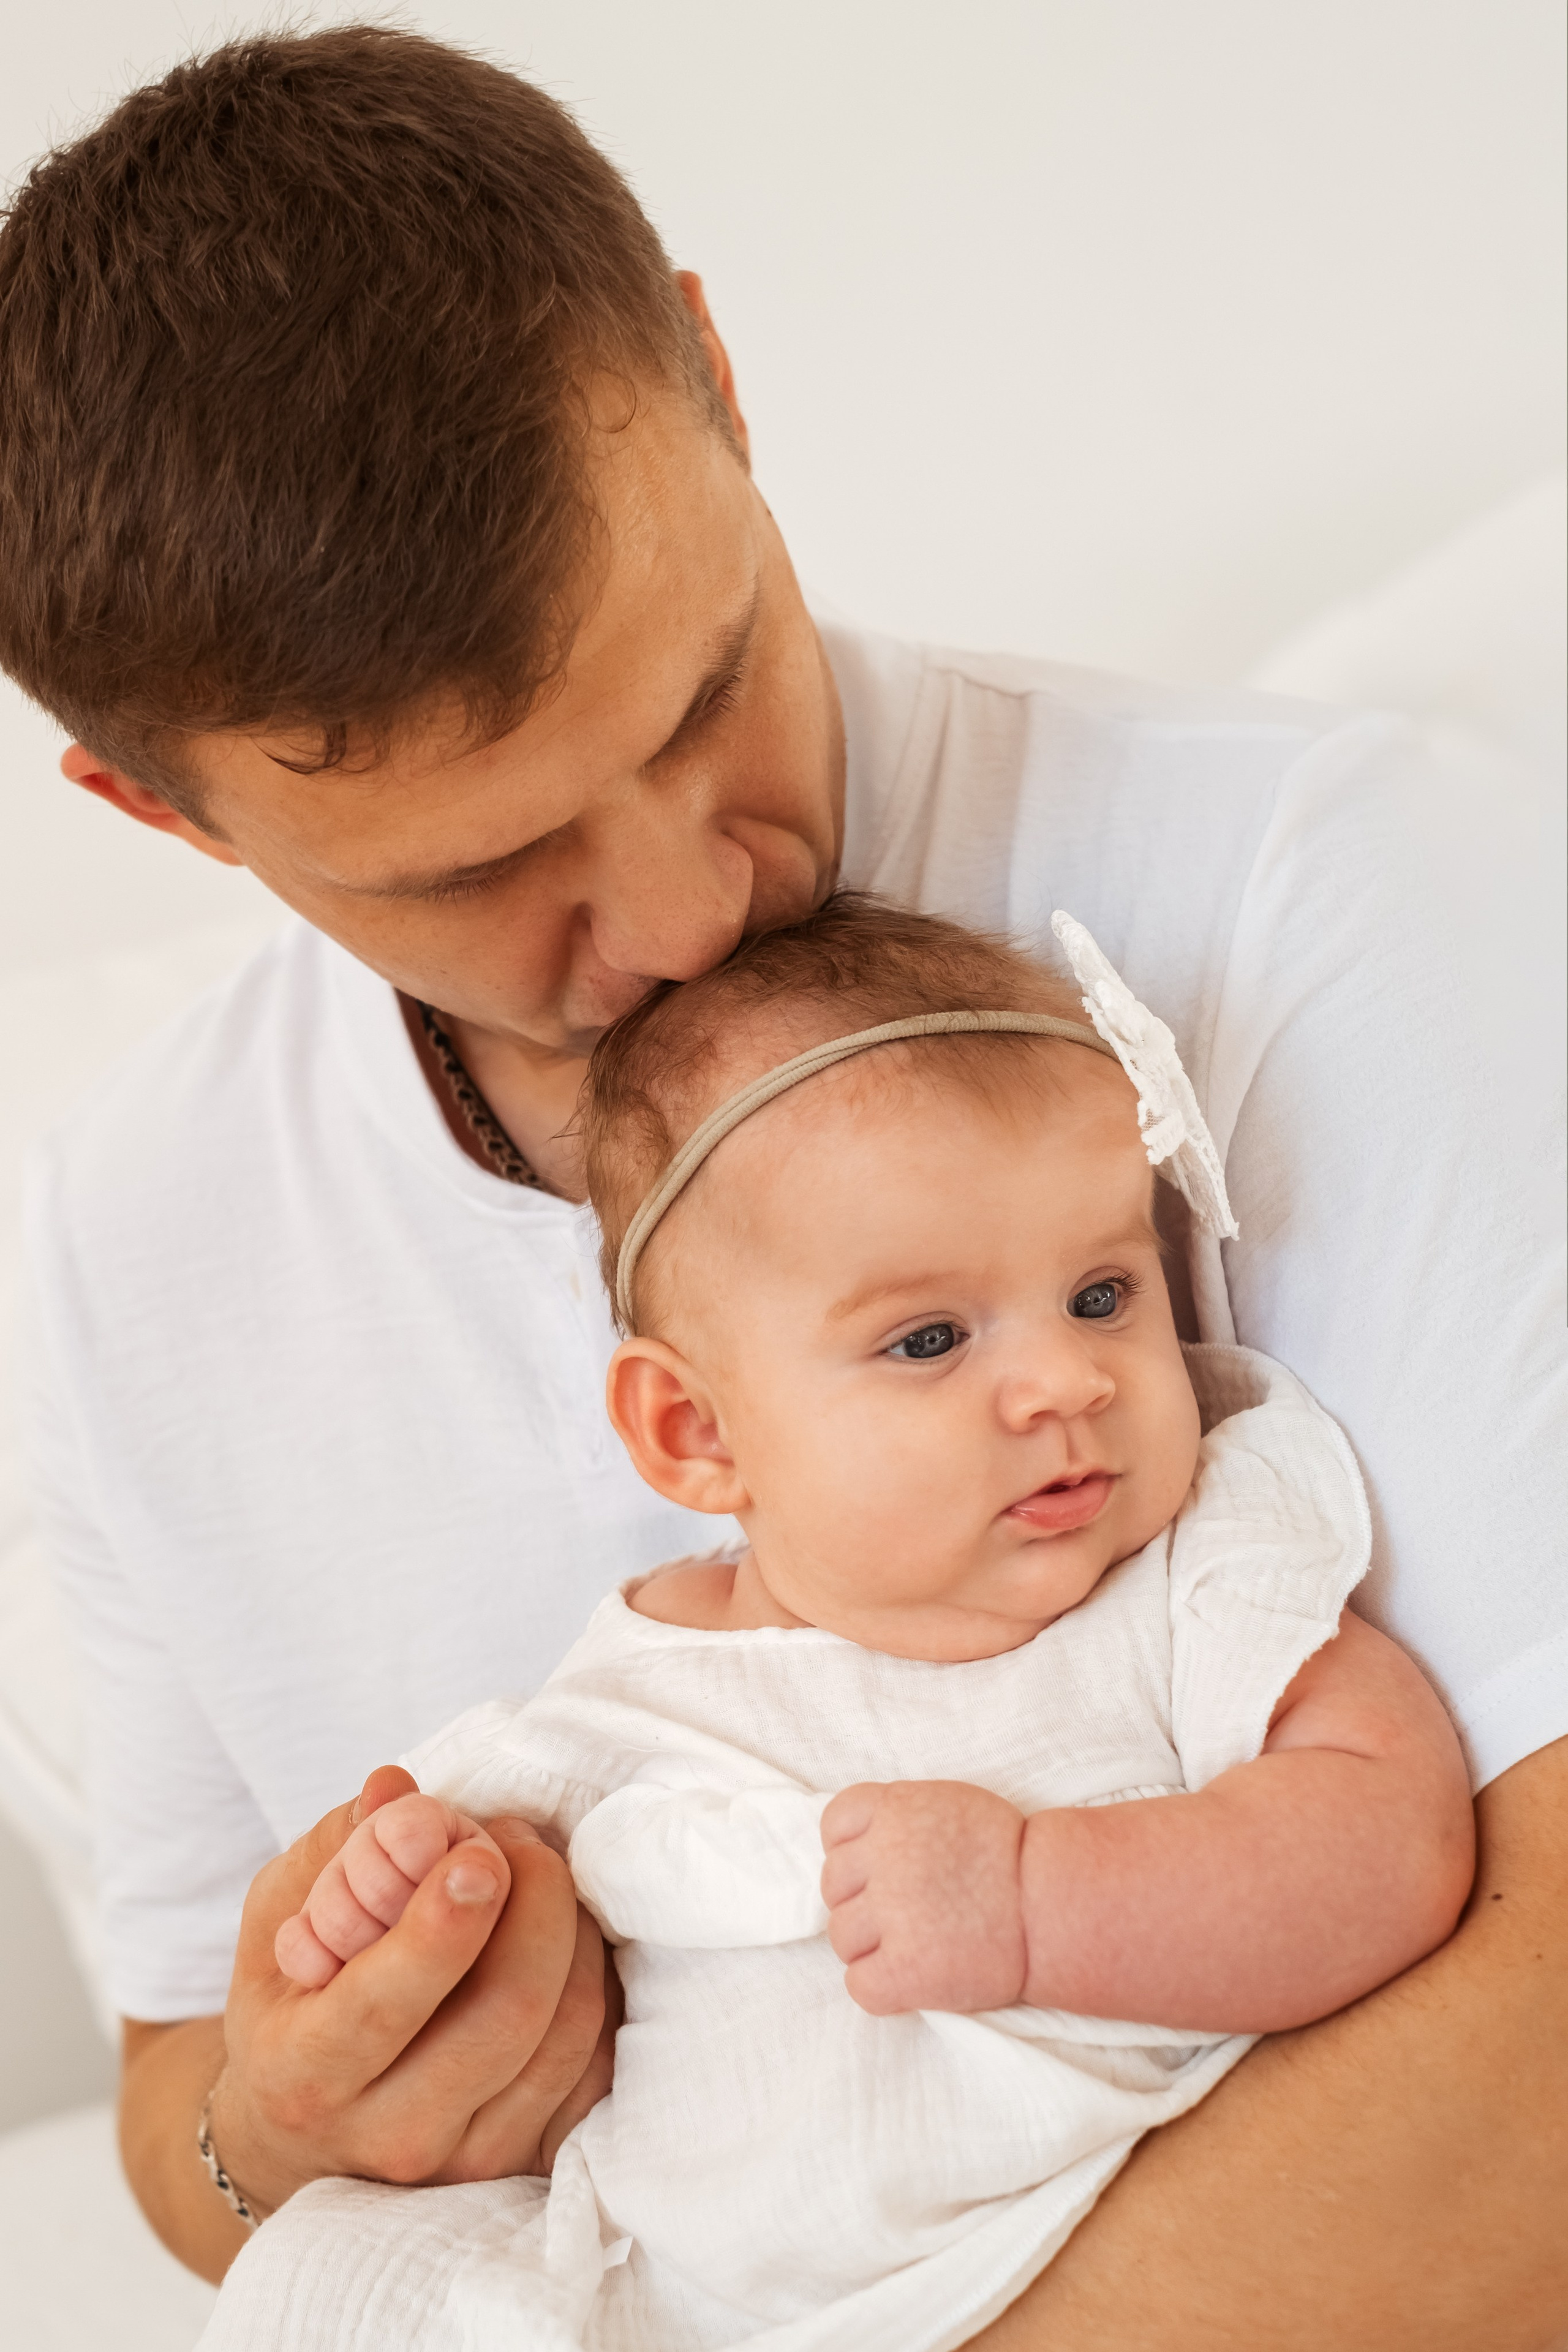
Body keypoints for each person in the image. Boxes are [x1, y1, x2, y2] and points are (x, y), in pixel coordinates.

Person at [0, 23, 1561, 2345]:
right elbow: (173, 2115)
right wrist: (307, 2125)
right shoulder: (128, 1245)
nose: (693, 915)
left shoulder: (1345, 894)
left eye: (701, 685)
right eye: (490, 861)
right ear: (172, 820)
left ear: (717, 380)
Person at [203, 897, 1474, 2352]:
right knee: (319, 2283)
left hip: (1049, 2264)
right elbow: (487, 1888)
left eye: (1102, 1292)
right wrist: (399, 1888)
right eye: (930, 1339)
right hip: (663, 2295)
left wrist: (1033, 1902)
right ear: (694, 1432)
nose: (1066, 1381)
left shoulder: (1192, 1572)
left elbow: (1393, 1840)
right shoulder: (648, 1679)